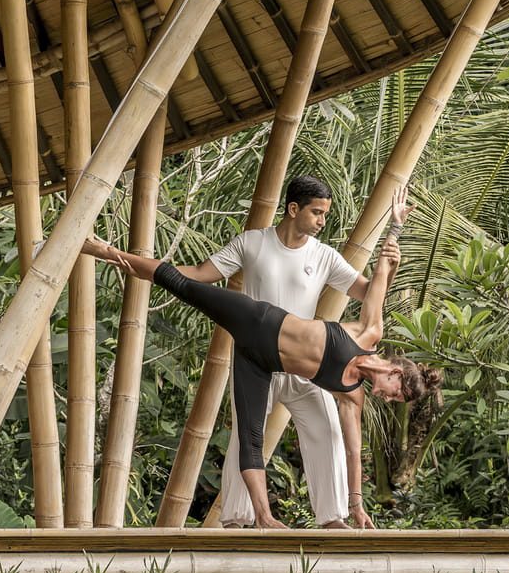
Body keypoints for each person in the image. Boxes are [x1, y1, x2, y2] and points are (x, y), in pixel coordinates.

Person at [84, 187, 440, 529]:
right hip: (257, 321)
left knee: (256, 437)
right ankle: (101, 249)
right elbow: (378, 278)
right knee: (179, 283)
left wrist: (357, 505)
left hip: (260, 363)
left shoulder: (352, 392)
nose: (386, 398)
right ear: (395, 371)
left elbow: (352, 449)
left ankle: (272, 518)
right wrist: (395, 227)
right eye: (394, 393)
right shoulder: (368, 332)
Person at [151, 175, 377, 529]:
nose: (322, 221)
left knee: (328, 429)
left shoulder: (324, 256)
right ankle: (237, 520)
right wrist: (151, 271)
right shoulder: (252, 243)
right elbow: (199, 274)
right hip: (257, 361)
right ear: (293, 209)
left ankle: (332, 518)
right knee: (247, 436)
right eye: (316, 212)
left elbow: (369, 293)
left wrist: (390, 248)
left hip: (306, 364)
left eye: (324, 214)